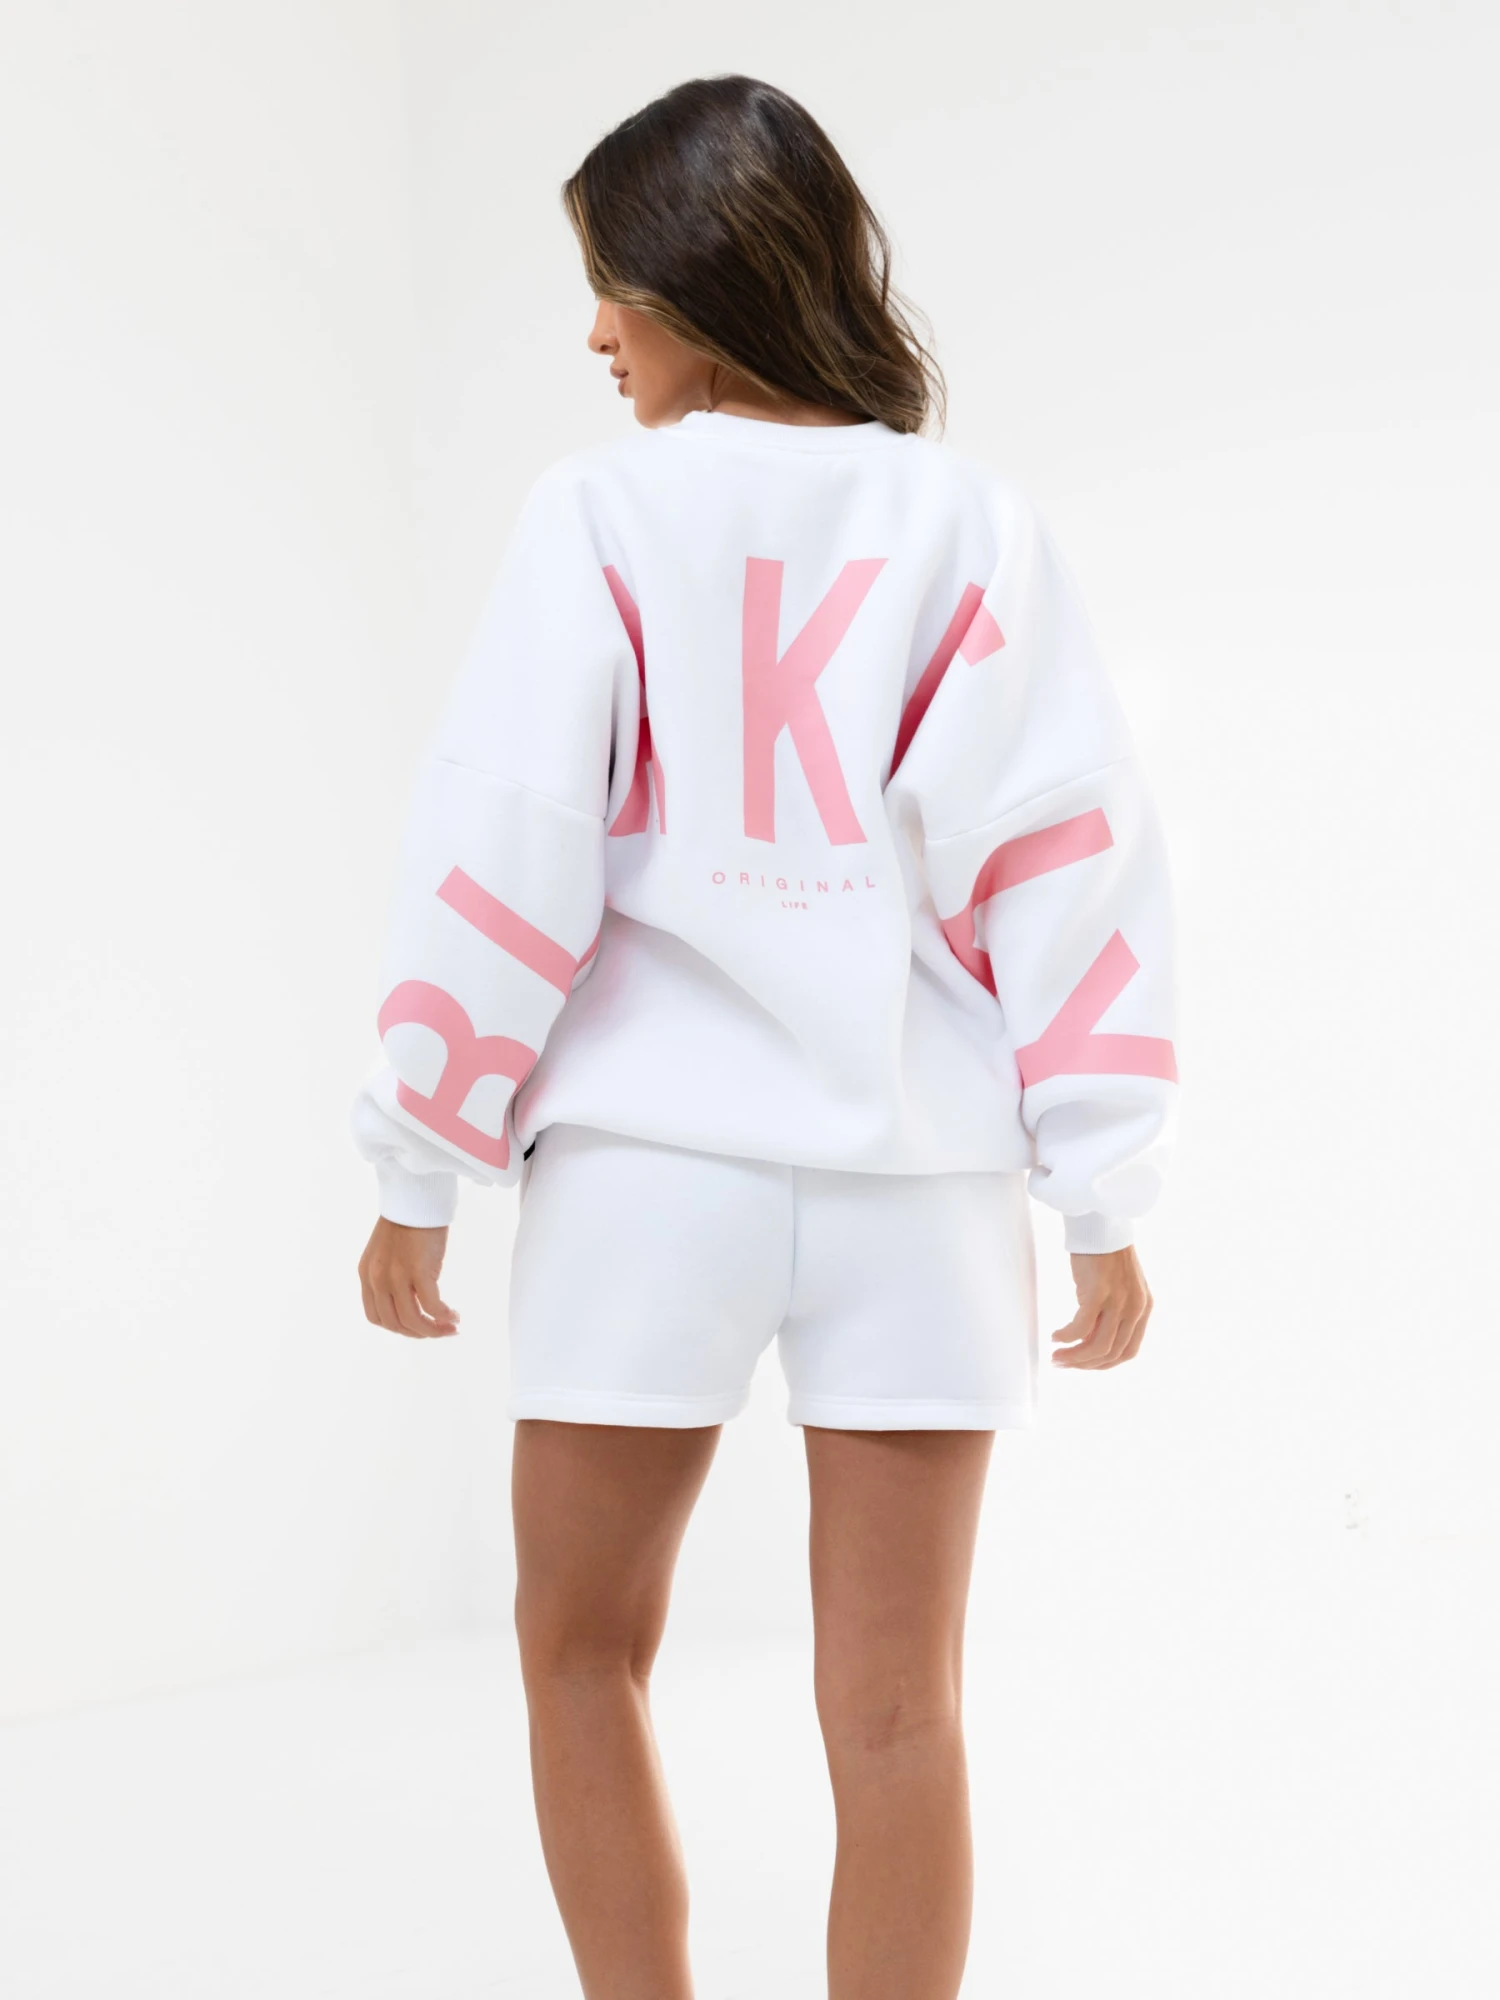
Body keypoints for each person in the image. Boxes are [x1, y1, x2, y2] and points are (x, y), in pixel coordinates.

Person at [350, 72, 1178, 2000]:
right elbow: (1067, 859)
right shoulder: (971, 525)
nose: (594, 331)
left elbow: (511, 842)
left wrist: (420, 1157)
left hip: (650, 1173)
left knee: (579, 1651)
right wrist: (1105, 1192)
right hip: (923, 1176)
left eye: (611, 284)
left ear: (699, 283)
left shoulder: (597, 514)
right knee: (902, 1711)